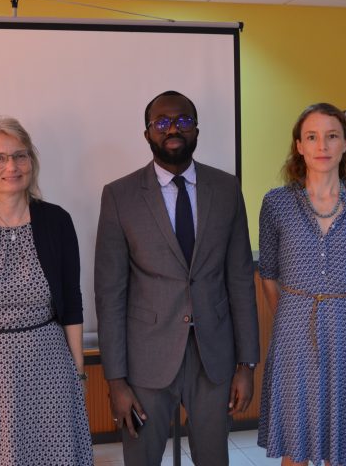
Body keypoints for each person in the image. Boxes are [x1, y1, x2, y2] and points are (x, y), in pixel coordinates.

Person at [94, 90, 259, 466]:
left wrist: (247, 366)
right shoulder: (119, 196)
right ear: (147, 133)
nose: (173, 129)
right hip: (145, 360)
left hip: (213, 357)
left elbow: (239, 280)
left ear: (196, 129)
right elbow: (110, 293)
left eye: (183, 121)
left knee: (214, 459)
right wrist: (116, 381)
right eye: (162, 122)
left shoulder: (226, 189)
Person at [0, 116, 93, 465]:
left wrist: (78, 370)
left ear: (31, 162)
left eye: (20, 156)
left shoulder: (57, 221)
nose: (11, 166)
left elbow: (72, 300)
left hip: (49, 368)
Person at [257, 103, 346, 466]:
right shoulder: (276, 203)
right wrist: (290, 316)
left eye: (332, 136)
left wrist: (341, 311)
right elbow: (268, 272)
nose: (322, 145)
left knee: (345, 448)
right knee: (295, 448)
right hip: (293, 333)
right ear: (299, 145)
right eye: (312, 137)